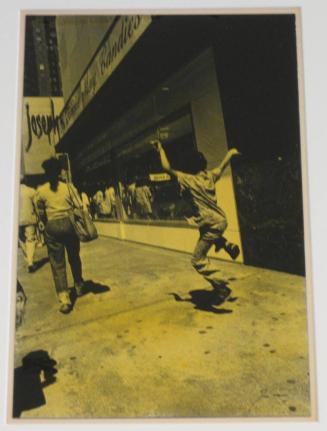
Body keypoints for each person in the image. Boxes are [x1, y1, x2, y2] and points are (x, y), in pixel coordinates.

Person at [151, 140, 241, 294]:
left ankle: (221, 280)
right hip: (220, 220)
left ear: (188, 167)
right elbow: (222, 166)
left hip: (211, 224)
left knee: (197, 260)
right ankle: (225, 245)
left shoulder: (188, 179)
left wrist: (160, 149)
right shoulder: (210, 176)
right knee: (202, 228)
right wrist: (230, 153)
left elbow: (167, 168)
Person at [35, 157, 84, 314]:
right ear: (59, 172)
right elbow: (79, 205)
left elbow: (40, 212)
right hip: (69, 225)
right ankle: (78, 284)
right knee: (74, 256)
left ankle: (64, 299)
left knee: (57, 263)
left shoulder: (41, 191)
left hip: (52, 227)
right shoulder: (68, 187)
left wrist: (44, 221)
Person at [19, 176, 37, 272]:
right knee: (30, 239)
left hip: (17, 221)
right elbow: (37, 206)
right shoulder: (31, 191)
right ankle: (30, 262)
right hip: (30, 218)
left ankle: (28, 259)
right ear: (25, 180)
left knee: (21, 240)